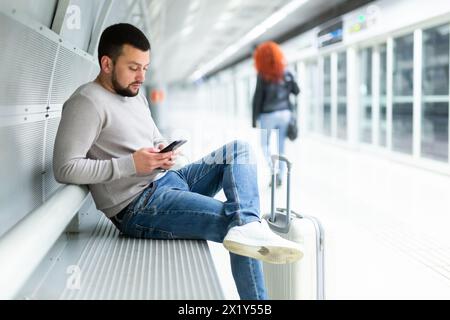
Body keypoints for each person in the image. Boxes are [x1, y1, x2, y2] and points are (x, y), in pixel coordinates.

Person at [53, 24, 303, 300]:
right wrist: (131, 165)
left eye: (145, 68)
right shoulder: (86, 102)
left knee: (239, 150)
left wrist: (164, 151)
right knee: (236, 225)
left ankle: (250, 224)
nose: (141, 77)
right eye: (134, 67)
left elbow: (153, 137)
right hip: (139, 205)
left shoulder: (135, 94)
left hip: (169, 180)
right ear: (107, 63)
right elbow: (64, 168)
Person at [252, 41, 300, 187]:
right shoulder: (286, 72)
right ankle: (280, 175)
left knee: (265, 145)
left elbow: (258, 97)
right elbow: (296, 91)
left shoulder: (263, 74)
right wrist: (291, 77)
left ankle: (273, 172)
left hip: (268, 115)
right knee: (281, 146)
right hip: (285, 113)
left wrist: (254, 119)